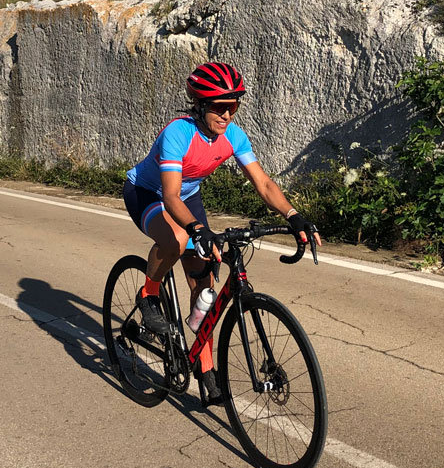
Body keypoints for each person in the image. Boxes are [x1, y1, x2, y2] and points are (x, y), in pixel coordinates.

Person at [123, 62, 321, 406]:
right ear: (199, 105)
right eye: (219, 106)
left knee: (205, 290)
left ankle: (206, 368)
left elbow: (263, 183)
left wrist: (294, 216)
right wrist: (197, 229)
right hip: (148, 193)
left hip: (188, 198)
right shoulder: (178, 133)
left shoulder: (234, 136)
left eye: (233, 106)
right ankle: (148, 293)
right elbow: (169, 195)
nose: (227, 114)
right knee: (178, 240)